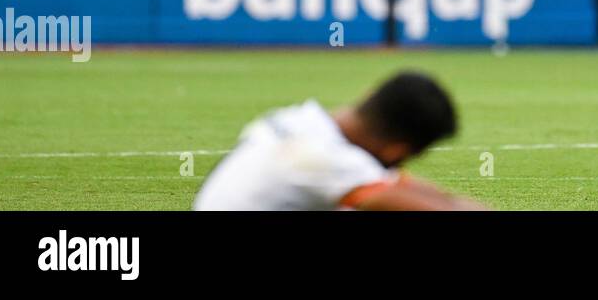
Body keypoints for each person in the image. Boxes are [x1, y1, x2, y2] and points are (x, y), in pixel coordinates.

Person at [194, 70, 486, 210]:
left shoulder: (300, 118)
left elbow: (401, 184)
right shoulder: (327, 158)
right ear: (397, 149)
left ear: (370, 96)